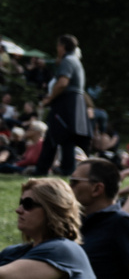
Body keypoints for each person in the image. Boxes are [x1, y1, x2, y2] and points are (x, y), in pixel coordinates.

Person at [34, 35, 89, 176]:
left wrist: (50, 98)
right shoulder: (74, 60)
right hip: (73, 101)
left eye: (58, 46)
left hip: (65, 102)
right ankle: (63, 169)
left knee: (57, 136)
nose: (57, 48)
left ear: (63, 46)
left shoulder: (67, 61)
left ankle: (48, 169)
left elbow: (63, 82)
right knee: (63, 137)